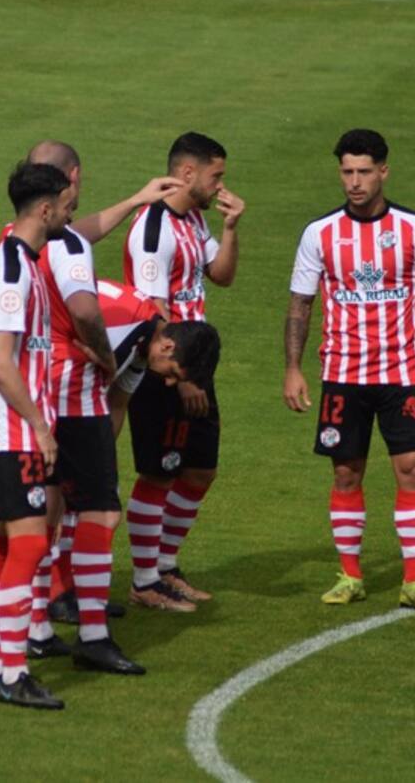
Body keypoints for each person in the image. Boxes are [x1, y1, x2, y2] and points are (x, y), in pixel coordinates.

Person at [21, 139, 182, 672]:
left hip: (36, 390)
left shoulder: (19, 241)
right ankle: (91, 635)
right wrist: (107, 358)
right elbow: (86, 309)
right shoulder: (65, 246)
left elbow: (79, 232)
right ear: (69, 180)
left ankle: (37, 625)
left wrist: (134, 200)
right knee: (99, 510)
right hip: (74, 393)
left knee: (43, 509)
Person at [282, 129, 415, 613]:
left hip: (403, 371)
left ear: (383, 172)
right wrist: (293, 368)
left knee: (413, 467)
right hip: (343, 372)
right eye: (346, 172)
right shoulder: (319, 233)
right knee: (345, 472)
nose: (354, 182)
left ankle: (414, 581)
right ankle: (351, 576)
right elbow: (300, 304)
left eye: (363, 172)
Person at [0, 162, 74, 710]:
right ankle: (13, 671)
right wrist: (39, 426)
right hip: (9, 427)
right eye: (67, 206)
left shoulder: (16, 259)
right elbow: (2, 363)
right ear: (45, 208)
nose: (70, 214)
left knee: (1, 541)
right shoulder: (11, 270)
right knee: (29, 543)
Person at [122, 132, 245, 610]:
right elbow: (154, 313)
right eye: (216, 176)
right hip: (164, 370)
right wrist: (184, 380)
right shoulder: (153, 230)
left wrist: (231, 227)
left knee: (200, 470)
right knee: (159, 473)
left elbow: (222, 275)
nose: (220, 185)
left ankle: (165, 566)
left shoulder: (192, 217)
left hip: (193, 364)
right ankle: (145, 581)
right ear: (188, 172)